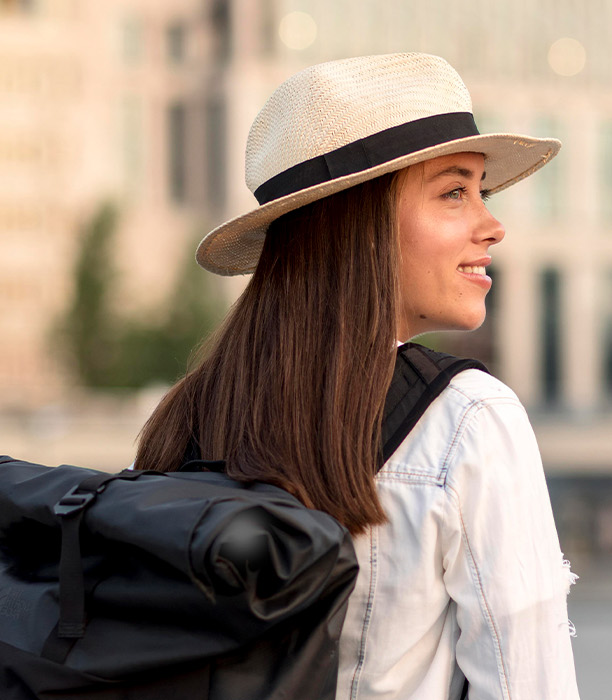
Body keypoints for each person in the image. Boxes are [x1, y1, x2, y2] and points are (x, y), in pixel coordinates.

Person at [134, 53, 580, 700]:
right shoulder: (466, 420)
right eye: (454, 192)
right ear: (358, 224)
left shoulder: (187, 417)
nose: (492, 224)